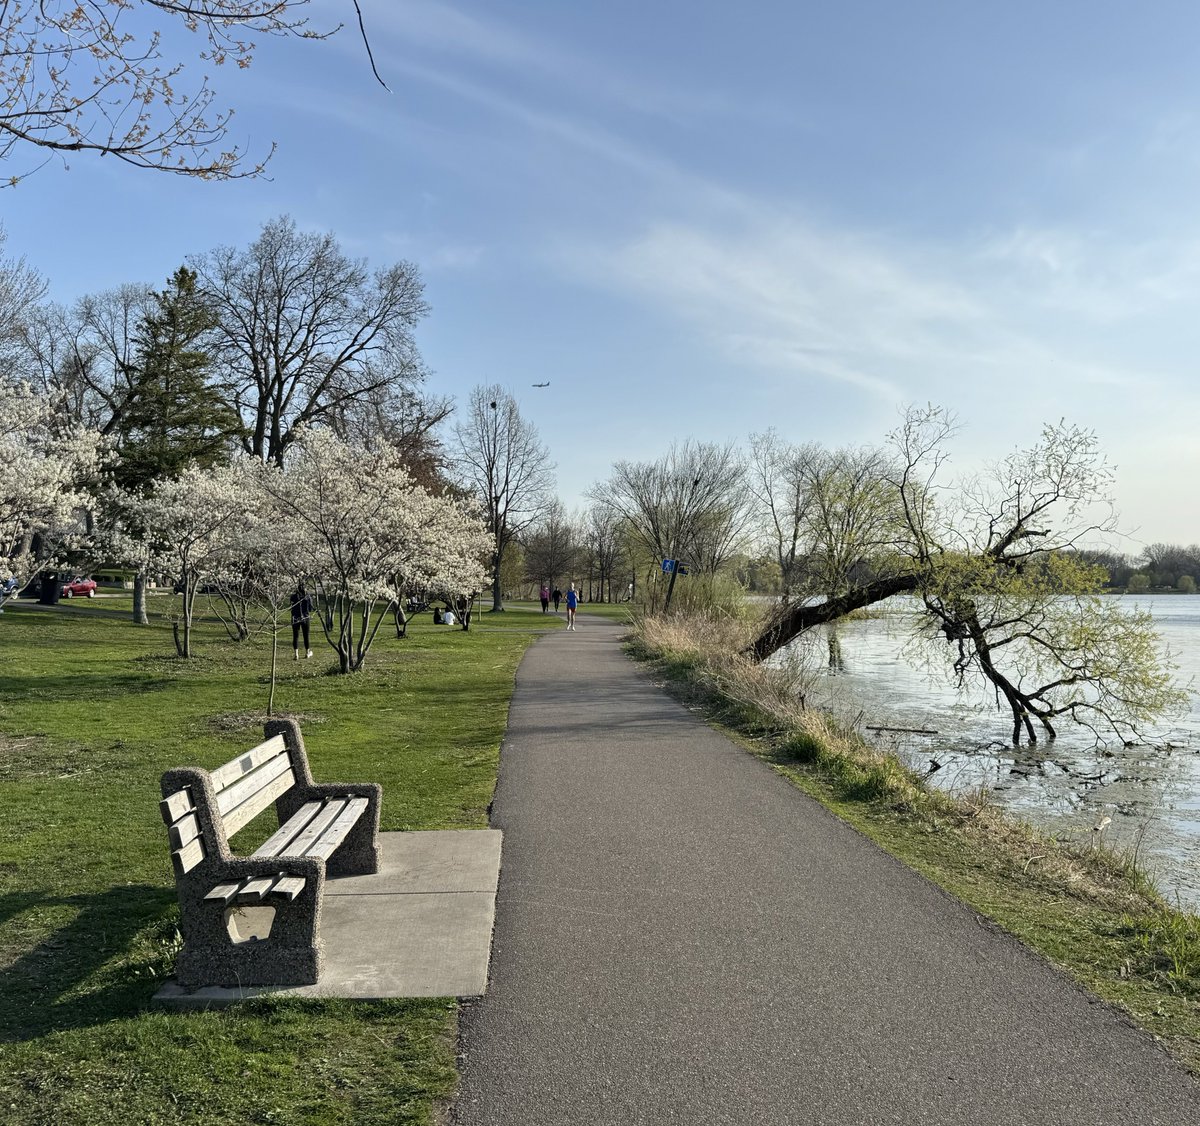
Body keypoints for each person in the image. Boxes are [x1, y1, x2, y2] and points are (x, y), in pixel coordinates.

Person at [290, 582, 313, 659]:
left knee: (295, 636)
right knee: (306, 636)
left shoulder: (293, 597)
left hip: (295, 618)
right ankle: (307, 652)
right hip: (305, 617)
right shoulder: (307, 597)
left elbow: (291, 607)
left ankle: (296, 654)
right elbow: (310, 608)